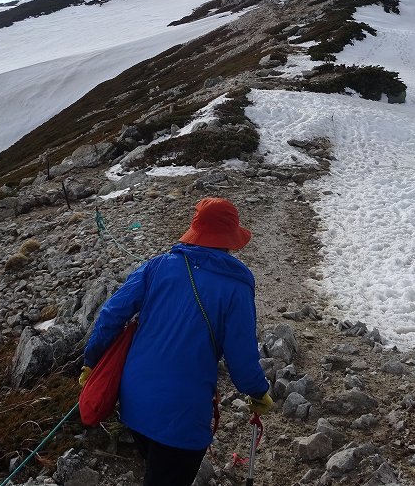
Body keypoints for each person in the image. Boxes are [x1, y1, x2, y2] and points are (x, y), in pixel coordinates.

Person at [81, 197, 273, 485]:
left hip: (133, 401)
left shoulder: (157, 266)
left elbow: (110, 315)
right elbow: (241, 356)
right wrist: (257, 391)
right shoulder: (236, 285)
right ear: (230, 239)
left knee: (157, 468)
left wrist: (91, 362)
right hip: (182, 417)